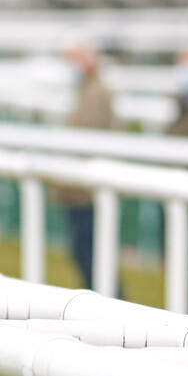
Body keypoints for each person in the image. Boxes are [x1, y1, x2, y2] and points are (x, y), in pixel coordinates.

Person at [52, 40, 115, 289]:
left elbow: (87, 135)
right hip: (80, 187)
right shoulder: (86, 89)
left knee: (90, 254)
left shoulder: (96, 91)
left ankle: (110, 302)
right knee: (85, 253)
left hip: (86, 190)